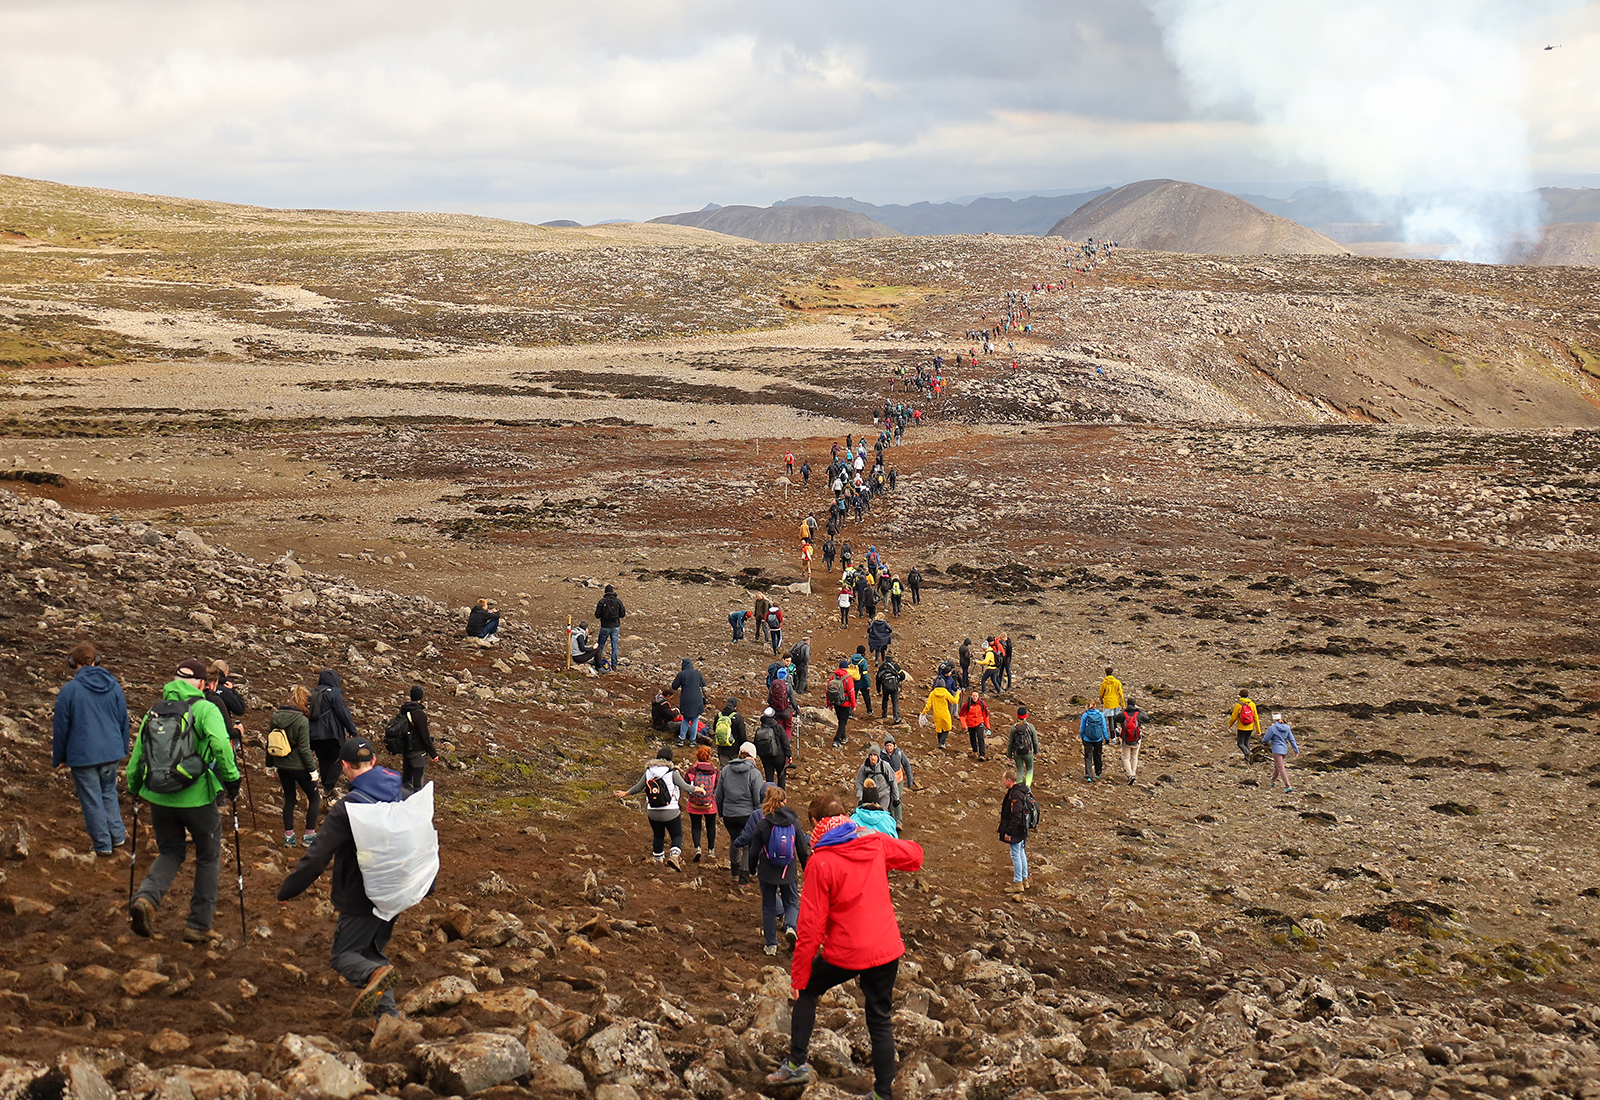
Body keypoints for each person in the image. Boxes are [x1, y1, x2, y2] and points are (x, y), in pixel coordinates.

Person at [765, 791, 925, 1097]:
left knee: (809, 990)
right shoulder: (873, 842)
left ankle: (797, 1064)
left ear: (815, 823)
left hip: (847, 951)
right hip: (886, 947)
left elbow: (811, 928)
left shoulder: (820, 862)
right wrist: (879, 848)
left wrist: (798, 975)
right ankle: (882, 1093)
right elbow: (915, 856)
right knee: (879, 1019)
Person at [278, 737, 432, 1018]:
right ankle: (388, 1020)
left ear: (346, 767)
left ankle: (375, 976)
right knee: (371, 952)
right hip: (396, 893)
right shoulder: (405, 795)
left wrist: (287, 890)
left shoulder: (347, 808)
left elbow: (317, 859)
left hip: (360, 898)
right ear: (373, 762)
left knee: (345, 957)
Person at [127, 658, 242, 943]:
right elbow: (221, 745)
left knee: (170, 852)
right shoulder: (206, 709)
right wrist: (232, 781)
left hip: (159, 797)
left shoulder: (154, 711)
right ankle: (199, 924)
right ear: (203, 684)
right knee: (208, 856)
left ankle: (146, 899)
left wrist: (135, 789)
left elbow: (138, 756)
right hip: (198, 798)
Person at [52, 641, 130, 857]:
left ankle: (103, 844)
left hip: (83, 754)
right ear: (97, 661)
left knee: (92, 798)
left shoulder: (69, 690)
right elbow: (123, 719)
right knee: (108, 792)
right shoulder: (114, 685)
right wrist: (121, 748)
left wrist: (60, 757)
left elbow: (61, 727)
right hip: (111, 752)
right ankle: (118, 836)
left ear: (72, 663)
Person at [734, 784, 810, 955]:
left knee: (768, 907)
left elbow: (753, 850)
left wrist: (751, 870)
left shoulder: (762, 823)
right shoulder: (794, 821)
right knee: (791, 902)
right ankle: (791, 926)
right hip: (788, 871)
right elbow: (802, 849)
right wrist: (807, 869)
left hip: (767, 871)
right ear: (784, 801)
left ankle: (771, 945)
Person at [616, 746, 692, 869]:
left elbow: (638, 787)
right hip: (670, 810)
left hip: (653, 811)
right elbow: (686, 787)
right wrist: (698, 789)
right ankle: (674, 855)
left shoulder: (648, 772)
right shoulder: (672, 772)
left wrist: (625, 793)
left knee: (658, 835)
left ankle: (658, 863)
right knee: (677, 835)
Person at [267, 685, 320, 847]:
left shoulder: (275, 716)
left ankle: (289, 837)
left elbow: (270, 741)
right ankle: (309, 836)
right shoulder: (302, 720)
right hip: (300, 767)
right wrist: (312, 770)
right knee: (314, 798)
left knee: (289, 799)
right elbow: (304, 749)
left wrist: (269, 765)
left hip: (282, 766)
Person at [716, 743, 767, 885]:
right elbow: (758, 798)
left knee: (734, 840)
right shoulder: (754, 773)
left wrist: (722, 812)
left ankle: (734, 873)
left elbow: (719, 794)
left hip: (729, 815)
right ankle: (744, 879)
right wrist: (759, 815)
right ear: (753, 756)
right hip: (748, 815)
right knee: (747, 845)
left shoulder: (726, 770)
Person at [309, 669, 358, 797]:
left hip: (314, 735)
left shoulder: (312, 693)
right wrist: (352, 731)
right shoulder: (334, 693)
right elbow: (343, 714)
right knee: (339, 759)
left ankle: (325, 787)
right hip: (331, 733)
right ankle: (328, 788)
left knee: (323, 760)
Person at [682, 745, 721, 862]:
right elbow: (717, 786)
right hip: (710, 803)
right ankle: (711, 850)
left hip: (694, 803)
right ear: (709, 757)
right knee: (710, 826)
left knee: (696, 826)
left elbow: (686, 784)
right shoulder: (714, 771)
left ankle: (697, 848)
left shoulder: (692, 770)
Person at [999, 766, 1033, 895]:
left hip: (1017, 830)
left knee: (1015, 854)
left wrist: (1009, 832)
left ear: (1009, 780)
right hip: (1022, 829)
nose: (1003, 782)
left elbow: (1016, 815)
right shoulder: (1022, 791)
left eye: (1004, 780)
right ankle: (1024, 880)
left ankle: (1018, 882)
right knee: (1020, 852)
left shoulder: (1015, 794)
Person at [397, 686, 437, 792]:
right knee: (418, 782)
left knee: (406, 780)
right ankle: (415, 801)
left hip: (406, 749)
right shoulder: (419, 713)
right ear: (421, 697)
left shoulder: (404, 710)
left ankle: (404, 798)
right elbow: (424, 735)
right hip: (418, 751)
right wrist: (433, 754)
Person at [204, 660, 248, 758]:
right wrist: (232, 691)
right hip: (220, 737)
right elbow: (240, 709)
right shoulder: (221, 693)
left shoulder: (198, 693)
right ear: (225, 672)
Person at [669, 659, 707, 748]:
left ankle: (682, 738)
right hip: (697, 699)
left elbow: (674, 686)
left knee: (685, 719)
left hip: (686, 699)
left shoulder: (681, 674)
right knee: (694, 720)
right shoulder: (697, 673)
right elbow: (703, 684)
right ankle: (693, 740)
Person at [879, 733, 913, 826]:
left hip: (898, 780)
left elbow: (906, 765)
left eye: (891, 745)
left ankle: (899, 821)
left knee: (897, 798)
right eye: (887, 745)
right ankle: (892, 819)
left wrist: (910, 779)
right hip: (887, 781)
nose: (889, 747)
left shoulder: (899, 753)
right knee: (888, 799)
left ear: (894, 745)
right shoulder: (881, 755)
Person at [1261, 712, 1300, 791]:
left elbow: (1266, 739)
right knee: (1278, 766)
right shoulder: (1287, 727)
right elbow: (1292, 739)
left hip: (1276, 750)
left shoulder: (1272, 728)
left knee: (1281, 767)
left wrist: (1262, 741)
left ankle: (1288, 785)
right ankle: (1273, 780)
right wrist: (1296, 750)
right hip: (1284, 750)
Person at [754, 705, 792, 788]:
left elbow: (756, 744)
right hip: (779, 756)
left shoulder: (760, 729)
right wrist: (789, 755)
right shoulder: (778, 728)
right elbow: (785, 742)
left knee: (769, 779)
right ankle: (781, 797)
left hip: (766, 757)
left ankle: (769, 796)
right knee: (781, 777)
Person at [854, 743, 899, 811]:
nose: (872, 757)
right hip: (870, 795)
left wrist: (896, 798)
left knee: (882, 812)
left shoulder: (884, 766)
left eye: (875, 755)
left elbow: (892, 781)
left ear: (878, 756)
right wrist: (860, 798)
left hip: (883, 793)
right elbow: (859, 782)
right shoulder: (864, 768)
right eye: (871, 755)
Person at [919, 676, 958, 750]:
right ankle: (942, 742)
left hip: (936, 714)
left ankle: (940, 742)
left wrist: (923, 713)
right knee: (947, 728)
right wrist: (958, 693)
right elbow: (954, 701)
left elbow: (928, 705)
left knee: (939, 729)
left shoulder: (933, 693)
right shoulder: (945, 692)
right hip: (945, 713)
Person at [593, 585, 626, 670]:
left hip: (604, 626)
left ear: (605, 592)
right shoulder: (618, 601)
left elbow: (597, 615)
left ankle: (597, 662)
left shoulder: (602, 601)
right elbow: (622, 614)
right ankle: (614, 664)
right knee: (614, 645)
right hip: (615, 626)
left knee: (600, 644)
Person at [1007, 706, 1040, 788]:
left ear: (1017, 715)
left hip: (1017, 753)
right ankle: (1027, 787)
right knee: (1029, 769)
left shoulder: (1013, 728)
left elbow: (1010, 743)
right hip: (1028, 752)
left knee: (1019, 771)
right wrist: (1036, 751)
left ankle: (1018, 787)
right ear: (1026, 715)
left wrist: (1009, 755)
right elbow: (1035, 740)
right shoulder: (1030, 727)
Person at [1227, 690, 1262, 765]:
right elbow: (1256, 717)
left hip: (1241, 726)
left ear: (1240, 695)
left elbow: (1234, 717)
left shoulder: (1238, 705)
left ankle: (1247, 753)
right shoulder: (1252, 704)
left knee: (1240, 743)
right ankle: (1248, 759)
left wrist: (1230, 724)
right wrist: (1258, 730)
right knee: (1246, 741)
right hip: (1250, 726)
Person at [827, 659, 857, 747]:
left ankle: (844, 737)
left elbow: (827, 690)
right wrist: (853, 705)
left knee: (841, 720)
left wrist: (829, 703)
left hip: (835, 702)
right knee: (843, 722)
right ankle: (836, 739)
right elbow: (851, 692)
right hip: (845, 703)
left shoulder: (833, 677)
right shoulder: (848, 678)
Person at [1079, 705, 1110, 782]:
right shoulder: (1100, 714)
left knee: (1088, 756)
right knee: (1098, 755)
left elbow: (1082, 727)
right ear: (1095, 706)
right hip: (1098, 738)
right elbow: (1104, 727)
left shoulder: (1085, 715)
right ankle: (1098, 773)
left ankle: (1089, 775)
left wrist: (1082, 736)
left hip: (1087, 738)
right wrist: (1106, 738)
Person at [712, 697, 746, 765]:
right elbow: (742, 734)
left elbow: (714, 729)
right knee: (735, 771)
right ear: (735, 707)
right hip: (735, 750)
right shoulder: (738, 717)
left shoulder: (719, 716)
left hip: (722, 749)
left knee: (724, 771)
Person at [960, 688, 992, 760]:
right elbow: (961, 715)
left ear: (978, 697)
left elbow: (986, 715)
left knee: (980, 737)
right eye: (973, 696)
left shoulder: (982, 704)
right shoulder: (967, 704)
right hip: (970, 724)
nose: (974, 697)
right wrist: (964, 725)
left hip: (979, 722)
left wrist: (988, 726)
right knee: (972, 738)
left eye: (976, 696)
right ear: (971, 696)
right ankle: (974, 751)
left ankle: (982, 754)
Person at [1119, 699, 1144, 785]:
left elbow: (1115, 718)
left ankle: (1130, 775)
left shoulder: (1124, 714)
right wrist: (1139, 710)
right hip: (1136, 739)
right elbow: (1147, 718)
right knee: (1134, 756)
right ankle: (1133, 774)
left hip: (1126, 739)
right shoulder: (1138, 714)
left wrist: (1124, 710)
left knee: (1126, 757)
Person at [876, 654, 903, 723]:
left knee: (885, 699)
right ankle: (896, 717)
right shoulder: (895, 666)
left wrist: (878, 689)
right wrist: (898, 681)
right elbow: (903, 675)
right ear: (892, 658)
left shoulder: (882, 666)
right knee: (895, 701)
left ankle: (884, 713)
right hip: (894, 686)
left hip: (885, 686)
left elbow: (878, 678)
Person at [1099, 666, 1125, 735]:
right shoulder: (1117, 682)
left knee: (1110, 719)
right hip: (1115, 702)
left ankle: (1113, 736)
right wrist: (1123, 704)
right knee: (1115, 718)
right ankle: (1117, 730)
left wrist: (1102, 701)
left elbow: (1101, 694)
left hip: (1107, 703)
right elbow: (1121, 693)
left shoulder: (1104, 683)